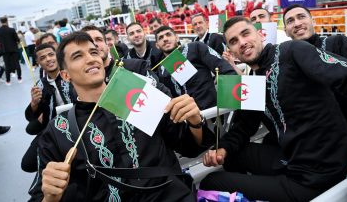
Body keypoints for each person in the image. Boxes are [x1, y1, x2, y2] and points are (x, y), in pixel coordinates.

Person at [28, 32, 214, 201]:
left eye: (93, 52)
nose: (91, 59)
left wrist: (195, 121)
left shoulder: (138, 95)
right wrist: (50, 196)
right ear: (66, 75)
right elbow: (40, 195)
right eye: (78, 56)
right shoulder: (59, 129)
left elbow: (190, 147)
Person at [200, 16, 347, 201]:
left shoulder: (292, 50)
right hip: (291, 160)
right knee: (233, 154)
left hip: (318, 174)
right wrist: (222, 149)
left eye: (245, 33)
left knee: (211, 182)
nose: (242, 43)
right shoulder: (251, 80)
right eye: (234, 41)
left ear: (260, 34)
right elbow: (243, 127)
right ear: (230, 51)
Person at [283, 4, 347, 129]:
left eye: (301, 17)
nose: (297, 23)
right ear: (286, 30)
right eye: (290, 21)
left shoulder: (336, 43)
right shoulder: (287, 62)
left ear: (313, 21)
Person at [154, 26, 236, 110]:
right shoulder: (161, 70)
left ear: (177, 38)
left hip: (214, 111)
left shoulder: (195, 47)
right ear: (157, 45)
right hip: (190, 119)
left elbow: (224, 68)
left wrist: (230, 106)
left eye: (168, 34)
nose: (165, 39)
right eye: (161, 38)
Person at [22, 44, 75, 173]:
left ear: (57, 55)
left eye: (51, 54)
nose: (48, 59)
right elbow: (31, 116)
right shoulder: (39, 85)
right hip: (52, 128)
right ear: (38, 62)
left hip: (77, 122)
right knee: (27, 164)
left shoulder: (71, 73)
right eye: (43, 57)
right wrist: (34, 104)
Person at [0, 16, 22, 85]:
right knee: (17, 64)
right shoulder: (12, 30)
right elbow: (17, 40)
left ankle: (8, 81)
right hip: (13, 49)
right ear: (7, 21)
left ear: (0, 22)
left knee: (7, 65)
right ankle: (19, 78)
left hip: (5, 50)